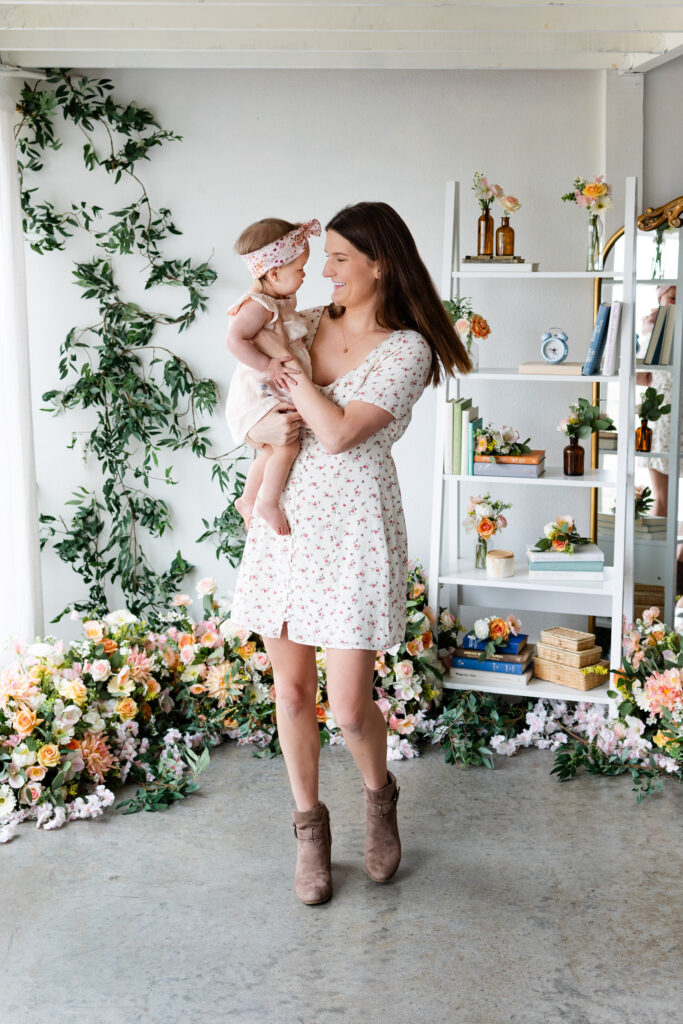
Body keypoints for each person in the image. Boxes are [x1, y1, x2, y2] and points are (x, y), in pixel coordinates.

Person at [229, 201, 471, 905]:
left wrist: (293, 384)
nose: (321, 271)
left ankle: (378, 793)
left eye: (337, 258)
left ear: (379, 265)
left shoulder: (406, 349)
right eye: (322, 256)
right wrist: (263, 422)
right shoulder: (303, 322)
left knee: (350, 708)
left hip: (355, 532)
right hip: (285, 524)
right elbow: (252, 400)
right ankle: (308, 828)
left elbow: (337, 435)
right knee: (292, 692)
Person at [224, 217, 321, 535]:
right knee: (287, 448)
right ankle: (266, 502)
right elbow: (234, 340)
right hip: (260, 388)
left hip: (272, 387)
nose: (305, 275)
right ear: (275, 272)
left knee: (272, 450)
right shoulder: (258, 305)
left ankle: (249, 499)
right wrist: (268, 366)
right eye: (300, 269)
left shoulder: (275, 301)